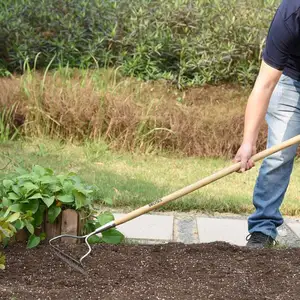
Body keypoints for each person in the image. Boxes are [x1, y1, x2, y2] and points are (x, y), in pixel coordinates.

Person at [234, 0, 300, 248]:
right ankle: (263, 229)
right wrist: (248, 142)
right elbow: (265, 84)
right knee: (279, 154)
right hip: (292, 81)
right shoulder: (291, 15)